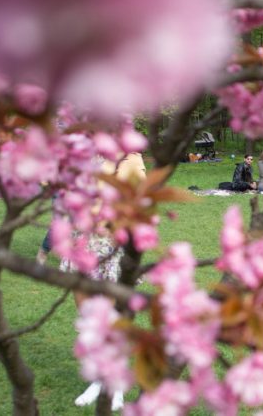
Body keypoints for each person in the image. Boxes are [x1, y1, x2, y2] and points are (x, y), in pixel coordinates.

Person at [68, 152, 146, 410]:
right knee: (89, 320)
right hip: (82, 243)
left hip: (112, 246)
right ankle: (99, 380)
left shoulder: (130, 157)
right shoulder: (82, 152)